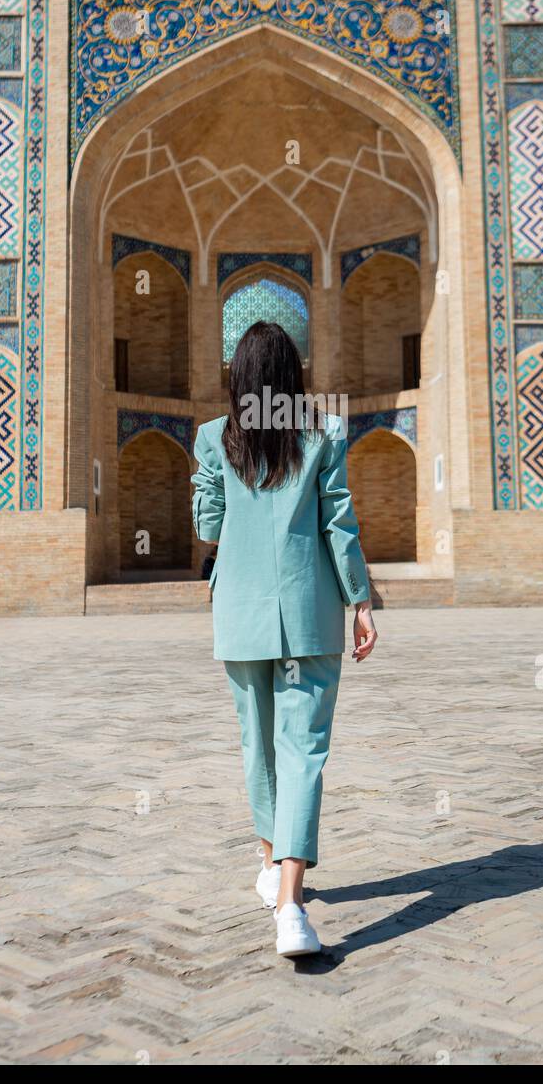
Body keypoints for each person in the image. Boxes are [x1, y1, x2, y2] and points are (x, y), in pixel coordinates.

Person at [191, 321, 377, 958]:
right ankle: (291, 907)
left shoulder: (214, 438)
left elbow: (207, 524)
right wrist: (360, 600)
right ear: (293, 376)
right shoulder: (324, 433)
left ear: (237, 378)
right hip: (309, 613)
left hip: (239, 616)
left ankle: (272, 866)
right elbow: (339, 523)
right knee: (304, 751)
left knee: (258, 745)